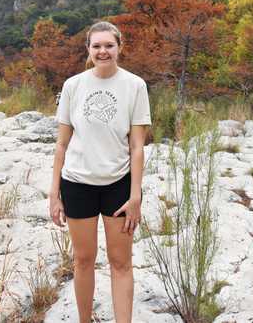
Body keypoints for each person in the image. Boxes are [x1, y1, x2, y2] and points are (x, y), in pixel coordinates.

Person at [49, 21, 151, 323]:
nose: (103, 51)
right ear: (88, 49)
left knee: (121, 263)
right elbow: (61, 145)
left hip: (119, 186)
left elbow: (137, 147)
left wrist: (136, 198)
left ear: (119, 47)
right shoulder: (73, 86)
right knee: (83, 261)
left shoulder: (135, 86)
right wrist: (54, 194)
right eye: (97, 46)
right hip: (78, 183)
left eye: (109, 45)